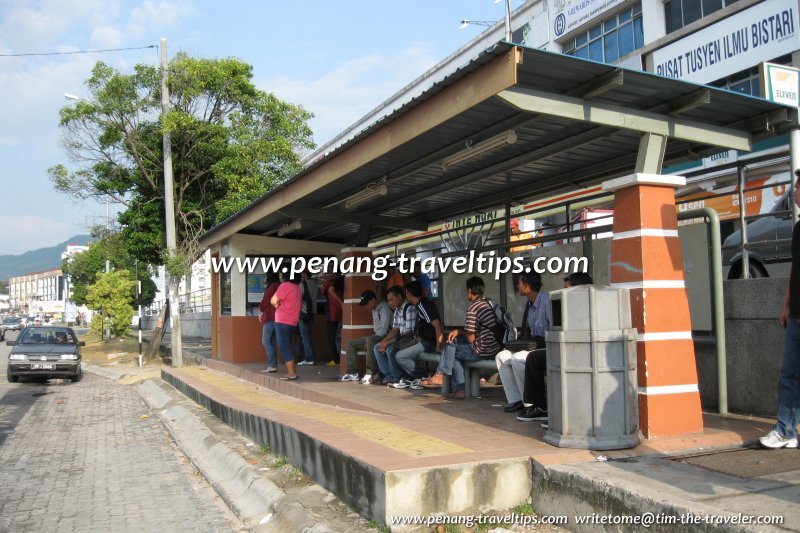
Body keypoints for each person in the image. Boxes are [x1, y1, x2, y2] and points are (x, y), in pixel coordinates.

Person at [516, 271, 593, 422]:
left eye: (567, 289)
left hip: (577, 351)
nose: (563, 293)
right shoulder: (566, 305)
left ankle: (542, 407)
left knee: (533, 358)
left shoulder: (585, 307)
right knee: (531, 357)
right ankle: (537, 406)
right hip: (562, 348)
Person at [761, 169, 800, 448]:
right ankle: (786, 430)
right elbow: (794, 271)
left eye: (797, 187)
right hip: (797, 315)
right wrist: (786, 305)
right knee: (789, 373)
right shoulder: (798, 228)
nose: (794, 192)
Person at [432, 276, 501, 399]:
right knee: (452, 344)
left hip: (481, 351)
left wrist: (458, 332)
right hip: (494, 347)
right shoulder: (488, 303)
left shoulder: (473, 309)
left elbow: (471, 339)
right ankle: (448, 379)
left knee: (451, 348)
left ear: (469, 291)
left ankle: (446, 378)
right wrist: (459, 332)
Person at [494, 271, 552, 413]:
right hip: (533, 345)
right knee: (502, 356)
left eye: (519, 283)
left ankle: (531, 404)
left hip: (546, 347)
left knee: (517, 359)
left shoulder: (547, 302)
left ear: (527, 286)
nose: (517, 286)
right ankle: (517, 400)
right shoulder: (528, 303)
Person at [391, 281, 444, 389]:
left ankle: (421, 375)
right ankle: (411, 376)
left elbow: (437, 325)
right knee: (394, 348)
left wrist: (439, 345)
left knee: (400, 357)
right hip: (421, 340)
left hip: (427, 342)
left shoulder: (422, 305)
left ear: (409, 294)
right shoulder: (420, 304)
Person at [340, 290, 393, 384]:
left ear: (373, 300)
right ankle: (352, 373)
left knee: (369, 340)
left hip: (386, 336)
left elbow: (384, 330)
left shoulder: (384, 309)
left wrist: (370, 341)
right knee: (351, 343)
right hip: (377, 335)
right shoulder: (374, 309)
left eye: (367, 303)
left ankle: (370, 373)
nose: (366, 306)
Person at [374, 285, 416, 385]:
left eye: (392, 299)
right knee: (377, 347)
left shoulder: (409, 308)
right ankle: (389, 375)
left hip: (409, 340)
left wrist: (388, 343)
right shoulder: (397, 310)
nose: (390, 303)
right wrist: (384, 342)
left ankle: (396, 376)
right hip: (400, 339)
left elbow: (408, 334)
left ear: (400, 297)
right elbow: (394, 330)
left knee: (390, 349)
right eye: (389, 300)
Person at [271, 273, 302, 381]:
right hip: (293, 321)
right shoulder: (297, 288)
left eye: (281, 274)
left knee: (284, 346)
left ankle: (292, 373)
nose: (280, 276)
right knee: (287, 346)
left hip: (282, 320)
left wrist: (277, 305)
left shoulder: (285, 286)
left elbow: (273, 300)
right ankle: (291, 371)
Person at [258, 273, 281, 373]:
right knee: (272, 342)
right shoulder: (280, 285)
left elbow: (266, 300)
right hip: (278, 317)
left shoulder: (273, 286)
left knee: (266, 341)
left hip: (271, 317)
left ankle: (272, 364)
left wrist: (261, 309)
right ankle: (273, 364)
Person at [321, 274, 344, 365]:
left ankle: (336, 360)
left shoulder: (332, 282)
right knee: (337, 337)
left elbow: (330, 290)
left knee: (333, 338)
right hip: (338, 313)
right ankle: (337, 359)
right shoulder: (342, 280)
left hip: (333, 314)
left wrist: (341, 303)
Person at [296, 271, 316, 366]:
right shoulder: (314, 284)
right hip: (313, 312)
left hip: (304, 313)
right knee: (308, 336)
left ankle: (309, 358)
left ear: (304, 274)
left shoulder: (302, 284)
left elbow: (298, 298)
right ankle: (311, 356)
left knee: (305, 337)